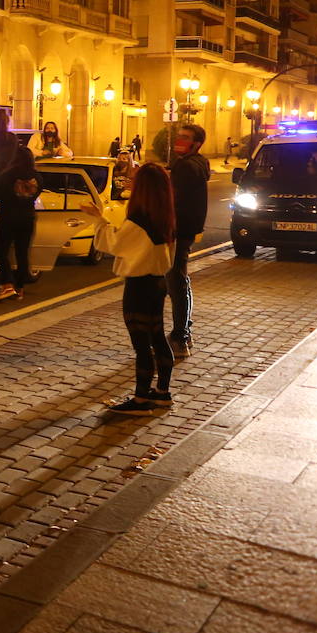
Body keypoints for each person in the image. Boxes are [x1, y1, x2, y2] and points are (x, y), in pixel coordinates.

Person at [80, 163, 176, 414]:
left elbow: (114, 244)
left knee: (142, 344)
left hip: (139, 285)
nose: (129, 182)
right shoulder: (164, 216)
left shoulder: (138, 220)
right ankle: (163, 392)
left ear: (143, 187)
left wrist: (98, 219)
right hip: (157, 282)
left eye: (134, 179)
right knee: (157, 337)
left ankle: (141, 399)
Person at [166, 123, 209, 359]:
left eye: (185, 137)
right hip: (187, 230)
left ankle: (180, 336)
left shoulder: (184, 166)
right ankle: (184, 331)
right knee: (180, 279)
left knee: (175, 282)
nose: (180, 140)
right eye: (179, 136)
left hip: (177, 231)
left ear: (196, 143)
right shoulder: (199, 164)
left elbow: (176, 201)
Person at [0, 150, 41, 303]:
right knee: (22, 253)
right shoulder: (37, 177)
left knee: (1, 251)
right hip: (27, 218)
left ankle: (7, 284)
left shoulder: (8, 175)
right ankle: (20, 289)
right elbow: (36, 195)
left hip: (9, 218)